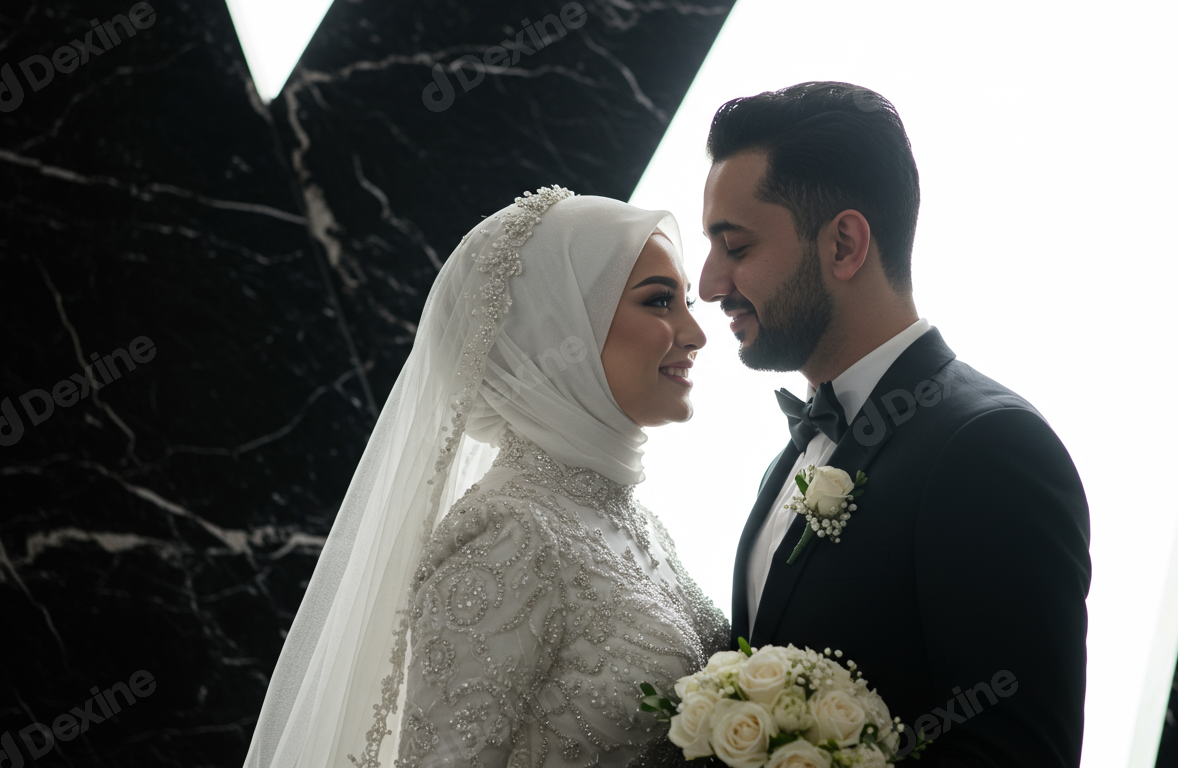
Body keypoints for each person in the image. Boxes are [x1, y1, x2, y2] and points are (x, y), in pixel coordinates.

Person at [243, 187, 728, 768]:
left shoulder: (636, 520)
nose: (695, 333)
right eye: (658, 302)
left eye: (687, 303)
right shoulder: (508, 532)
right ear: (558, 325)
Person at [700, 82, 1092, 766]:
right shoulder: (797, 450)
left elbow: (1017, 754)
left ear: (845, 244)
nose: (708, 283)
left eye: (734, 246)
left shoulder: (992, 450)